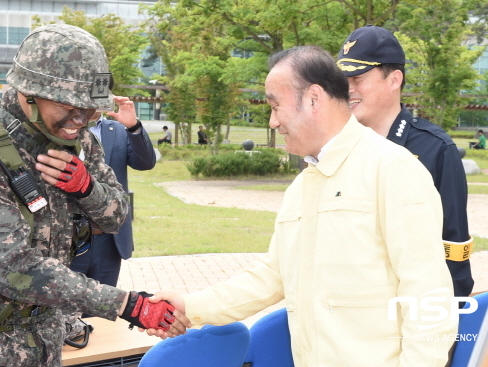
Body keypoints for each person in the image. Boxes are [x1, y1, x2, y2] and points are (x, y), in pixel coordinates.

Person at [146, 46, 457, 366]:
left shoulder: (391, 169)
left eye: (275, 106)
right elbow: (272, 276)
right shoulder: (302, 186)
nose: (272, 122)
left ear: (313, 98)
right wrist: (189, 305)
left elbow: (428, 296)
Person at [0, 24, 186, 367]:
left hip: (46, 341)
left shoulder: (78, 142)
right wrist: (126, 305)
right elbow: (14, 267)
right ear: (29, 93)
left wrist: (87, 189)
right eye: (71, 106)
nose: (81, 120)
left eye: (91, 110)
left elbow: (117, 216)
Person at [336, 25, 474, 299]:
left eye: (358, 78)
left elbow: (453, 246)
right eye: (343, 79)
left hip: (410, 309)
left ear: (394, 79)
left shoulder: (435, 148)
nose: (348, 89)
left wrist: (442, 323)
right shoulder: (337, 145)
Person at [70, 112, 156, 288]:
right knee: (64, 311)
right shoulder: (61, 127)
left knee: (101, 311)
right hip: (67, 239)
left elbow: (145, 162)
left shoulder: (117, 129)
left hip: (108, 241)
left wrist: (133, 126)